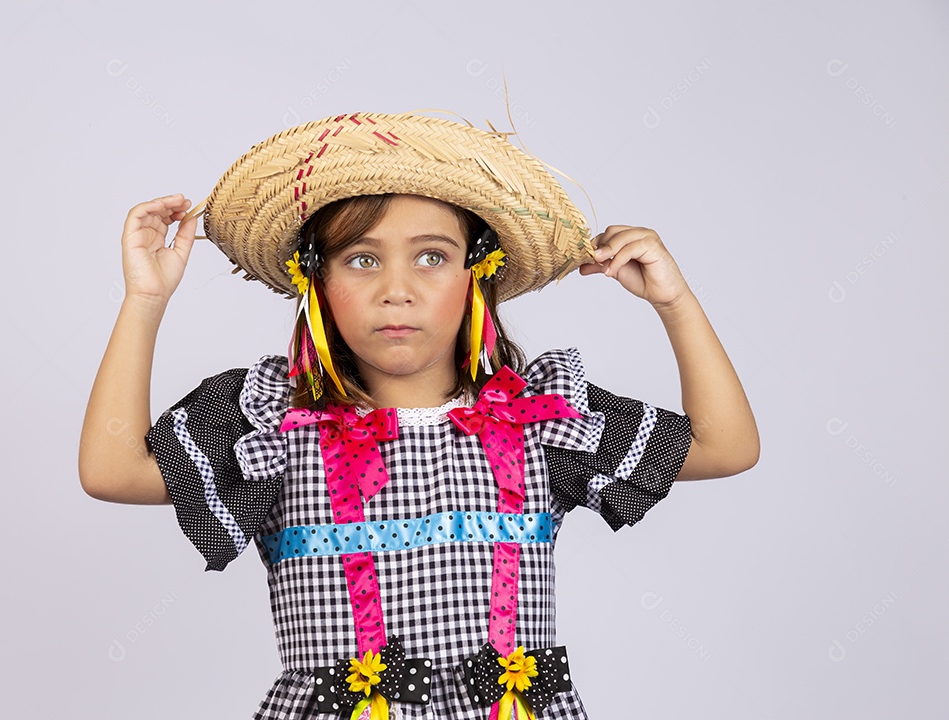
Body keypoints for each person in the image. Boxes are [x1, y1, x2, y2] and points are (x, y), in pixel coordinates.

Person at [78, 112, 758, 720]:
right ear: (318, 282)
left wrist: (675, 302)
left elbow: (727, 447)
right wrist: (144, 299)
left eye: (432, 257)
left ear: (476, 276)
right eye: (362, 259)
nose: (396, 290)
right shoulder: (278, 428)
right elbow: (111, 471)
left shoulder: (540, 421)